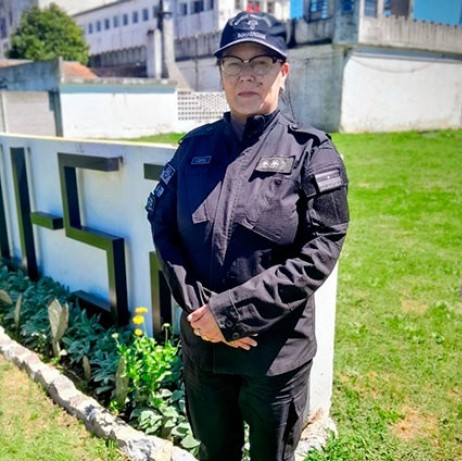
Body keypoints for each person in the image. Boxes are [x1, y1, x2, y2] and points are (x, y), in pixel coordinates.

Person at [146, 11, 349, 461]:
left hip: (274, 357)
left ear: (282, 71)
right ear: (220, 74)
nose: (247, 75)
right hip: (204, 351)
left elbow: (321, 248)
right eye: (234, 63)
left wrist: (232, 316)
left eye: (260, 62)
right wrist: (206, 315)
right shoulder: (193, 148)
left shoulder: (310, 153)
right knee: (214, 451)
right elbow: (162, 226)